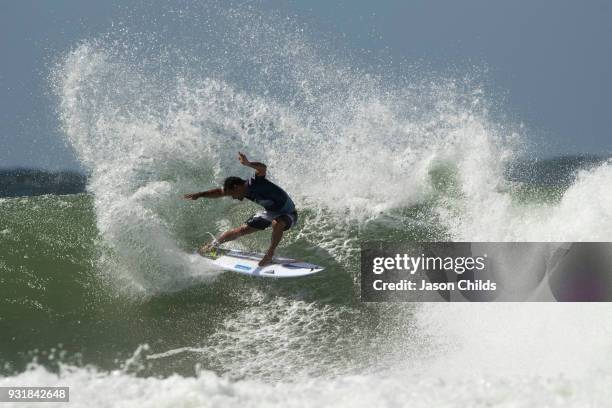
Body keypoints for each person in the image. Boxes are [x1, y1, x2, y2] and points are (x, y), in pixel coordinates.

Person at [183, 152, 298, 266]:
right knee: (242, 230)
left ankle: (270, 254)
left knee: (277, 223)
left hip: (289, 213)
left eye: (232, 194)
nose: (233, 198)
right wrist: (200, 194)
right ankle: (212, 246)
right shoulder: (241, 191)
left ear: (237, 187)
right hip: (271, 212)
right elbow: (219, 192)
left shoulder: (254, 183)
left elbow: (262, 168)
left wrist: (248, 163)